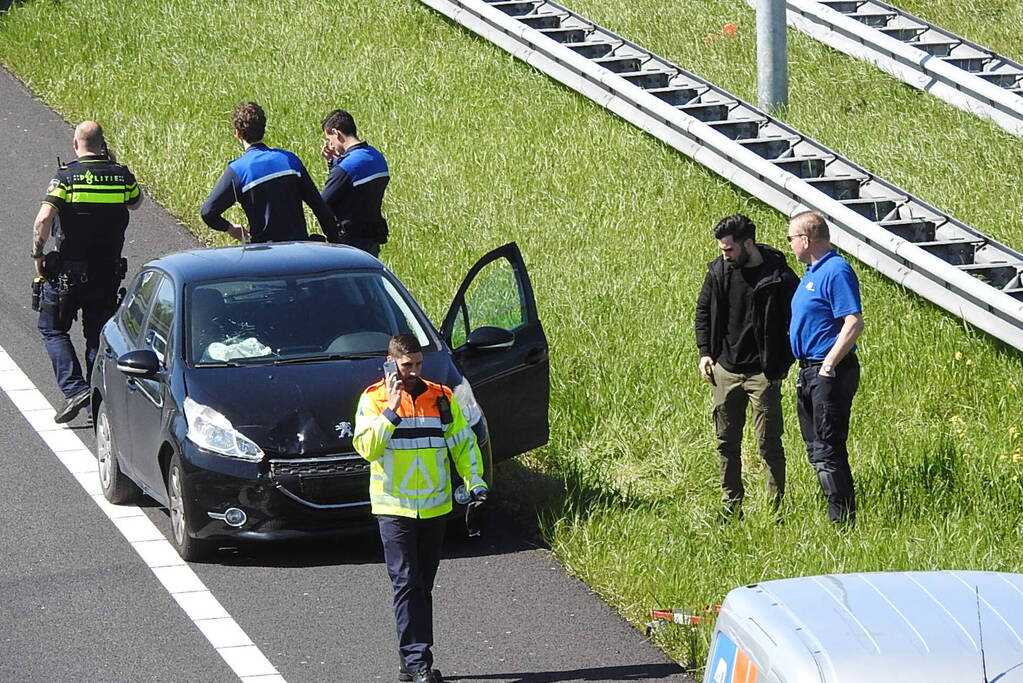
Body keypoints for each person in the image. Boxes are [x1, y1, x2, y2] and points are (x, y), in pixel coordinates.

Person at [353, 333, 487, 683]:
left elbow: (463, 444)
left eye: (418, 365)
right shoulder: (373, 399)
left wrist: (475, 482)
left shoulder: (441, 397)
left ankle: (408, 661)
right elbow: (367, 448)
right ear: (390, 363)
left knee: (422, 584)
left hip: (433, 507)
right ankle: (418, 663)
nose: (413, 372)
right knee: (407, 582)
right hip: (393, 507)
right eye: (405, 365)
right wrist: (391, 412)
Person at [32, 121, 143, 423]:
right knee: (97, 335)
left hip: (68, 274)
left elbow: (44, 219)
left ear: (75, 144)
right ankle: (98, 399)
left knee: (52, 328)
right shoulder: (121, 176)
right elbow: (136, 202)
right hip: (107, 274)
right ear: (103, 144)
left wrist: (38, 255)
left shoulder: (66, 178)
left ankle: (74, 388)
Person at [695, 214, 798, 519]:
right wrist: (705, 353)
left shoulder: (779, 275)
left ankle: (776, 507)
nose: (724, 255)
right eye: (722, 250)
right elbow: (703, 311)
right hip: (725, 369)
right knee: (726, 442)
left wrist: (781, 364)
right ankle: (731, 503)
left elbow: (798, 319)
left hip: (763, 374)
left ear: (747, 244)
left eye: (729, 250)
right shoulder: (719, 272)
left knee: (768, 443)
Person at [785, 210, 865, 525]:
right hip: (808, 370)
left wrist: (829, 364)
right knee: (815, 448)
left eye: (791, 238)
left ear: (806, 239)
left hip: (827, 371)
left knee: (828, 446)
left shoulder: (836, 270)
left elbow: (853, 322)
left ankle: (843, 521)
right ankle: (835, 513)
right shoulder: (811, 272)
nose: (790, 244)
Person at [201, 101, 335, 243]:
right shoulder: (290, 160)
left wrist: (229, 228)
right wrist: (335, 242)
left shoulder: (238, 170)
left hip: (265, 255)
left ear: (238, 134)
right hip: (298, 251)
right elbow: (320, 208)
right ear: (263, 128)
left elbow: (208, 212)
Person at [320, 109, 390, 257]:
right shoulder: (377, 157)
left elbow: (323, 202)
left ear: (337, 133)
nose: (330, 144)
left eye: (329, 139)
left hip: (350, 243)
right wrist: (333, 163)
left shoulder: (346, 167)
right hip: (372, 238)